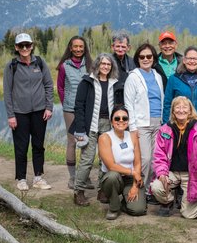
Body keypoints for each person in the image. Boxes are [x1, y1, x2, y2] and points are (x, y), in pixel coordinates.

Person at [3, 33, 53, 191]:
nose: (25, 48)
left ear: (32, 46)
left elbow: (48, 85)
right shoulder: (12, 66)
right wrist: (11, 115)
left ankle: (38, 177)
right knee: (21, 147)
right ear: (16, 48)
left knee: (38, 145)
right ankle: (21, 178)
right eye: (21, 46)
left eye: (27, 45)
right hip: (19, 113)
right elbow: (7, 92)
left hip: (39, 112)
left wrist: (49, 107)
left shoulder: (40, 63)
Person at [151, 96, 197, 218]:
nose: (181, 110)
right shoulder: (165, 129)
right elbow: (159, 155)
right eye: (178, 107)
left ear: (190, 110)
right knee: (156, 186)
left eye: (184, 107)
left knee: (188, 214)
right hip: (172, 172)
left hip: (192, 174)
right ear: (173, 111)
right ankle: (168, 201)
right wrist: (162, 173)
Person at [69, 53, 119, 206]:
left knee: (105, 159)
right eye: (103, 64)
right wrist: (80, 129)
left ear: (112, 67)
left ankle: (102, 191)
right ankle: (79, 191)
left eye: (108, 64)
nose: (105, 67)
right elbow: (79, 106)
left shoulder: (115, 83)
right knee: (87, 159)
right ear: (97, 65)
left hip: (108, 125)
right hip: (90, 124)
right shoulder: (87, 82)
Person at [124, 43, 164, 200]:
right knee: (145, 159)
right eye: (142, 57)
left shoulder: (157, 76)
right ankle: (141, 188)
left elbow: (161, 98)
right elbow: (129, 104)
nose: (146, 59)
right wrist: (132, 127)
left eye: (149, 56)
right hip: (142, 124)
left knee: (156, 158)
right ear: (137, 59)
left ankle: (151, 190)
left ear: (153, 58)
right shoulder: (133, 77)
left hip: (158, 123)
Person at [56, 36, 92, 189]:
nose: (78, 49)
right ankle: (72, 178)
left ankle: (84, 176)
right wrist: (66, 104)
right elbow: (60, 88)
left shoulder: (90, 66)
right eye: (75, 46)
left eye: (81, 47)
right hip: (70, 109)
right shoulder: (64, 66)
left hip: (86, 109)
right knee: (72, 142)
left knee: (86, 143)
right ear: (70, 48)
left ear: (85, 48)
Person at [98, 106, 146, 220]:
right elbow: (111, 166)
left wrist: (135, 186)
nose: (121, 121)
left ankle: (126, 203)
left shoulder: (133, 136)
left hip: (130, 178)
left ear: (128, 121)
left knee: (138, 210)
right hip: (114, 177)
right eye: (117, 118)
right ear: (111, 122)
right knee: (112, 176)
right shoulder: (105, 138)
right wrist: (133, 172)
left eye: (124, 118)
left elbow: (138, 163)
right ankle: (114, 207)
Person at [111, 32, 136, 105]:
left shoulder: (133, 62)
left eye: (123, 47)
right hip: (111, 98)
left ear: (128, 47)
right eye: (118, 46)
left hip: (128, 99)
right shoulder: (107, 62)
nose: (120, 49)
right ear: (112, 47)